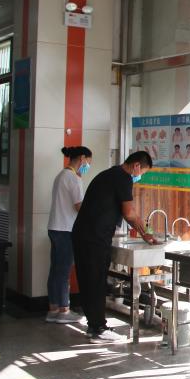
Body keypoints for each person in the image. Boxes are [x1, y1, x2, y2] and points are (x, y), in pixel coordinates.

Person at [71, 151, 157, 343]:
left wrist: (142, 231)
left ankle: (94, 326)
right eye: (142, 172)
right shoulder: (123, 178)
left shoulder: (109, 174)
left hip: (83, 234)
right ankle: (98, 329)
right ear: (136, 166)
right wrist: (145, 233)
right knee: (96, 281)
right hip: (94, 237)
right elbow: (129, 213)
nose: (140, 176)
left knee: (89, 281)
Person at [46, 146, 92, 324]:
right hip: (66, 229)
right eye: (88, 162)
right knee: (63, 271)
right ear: (82, 158)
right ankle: (64, 310)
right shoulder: (73, 178)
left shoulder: (61, 175)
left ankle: (53, 309)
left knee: (55, 269)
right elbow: (79, 206)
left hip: (55, 227)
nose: (88, 166)